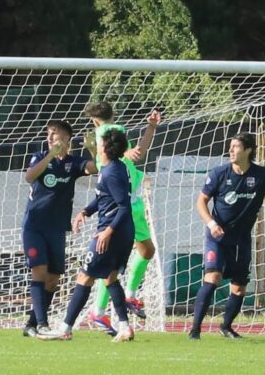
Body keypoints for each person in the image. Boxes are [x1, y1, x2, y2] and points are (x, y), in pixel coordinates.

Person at [189, 132, 265, 340]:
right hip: (217, 237)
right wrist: (211, 223)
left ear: (248, 150)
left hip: (242, 240)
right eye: (230, 146)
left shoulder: (262, 175)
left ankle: (226, 326)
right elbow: (201, 202)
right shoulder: (220, 173)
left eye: (236, 146)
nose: (231, 150)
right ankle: (195, 330)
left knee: (239, 287)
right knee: (213, 277)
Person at [38, 129, 135, 342]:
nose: (96, 144)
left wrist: (107, 232)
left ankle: (65, 328)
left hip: (112, 231)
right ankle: (125, 327)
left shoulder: (111, 171)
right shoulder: (113, 167)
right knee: (110, 278)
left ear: (106, 147)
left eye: (99, 142)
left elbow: (123, 206)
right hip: (124, 231)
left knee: (84, 277)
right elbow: (104, 197)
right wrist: (86, 211)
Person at [83, 102, 161, 336]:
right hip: (123, 206)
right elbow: (131, 153)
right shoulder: (107, 133)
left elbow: (137, 153)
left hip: (132, 204)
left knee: (146, 251)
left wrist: (150, 128)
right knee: (111, 266)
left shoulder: (103, 139)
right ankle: (102, 309)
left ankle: (126, 297)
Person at [21, 120, 97, 338]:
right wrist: (50, 155)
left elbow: (97, 168)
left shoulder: (73, 163)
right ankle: (43, 325)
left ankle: (31, 323)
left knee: (53, 279)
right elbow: (29, 176)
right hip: (34, 226)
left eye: (54, 134)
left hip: (57, 229)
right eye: (48, 134)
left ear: (65, 139)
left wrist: (92, 149)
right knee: (39, 272)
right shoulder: (39, 157)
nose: (50, 138)